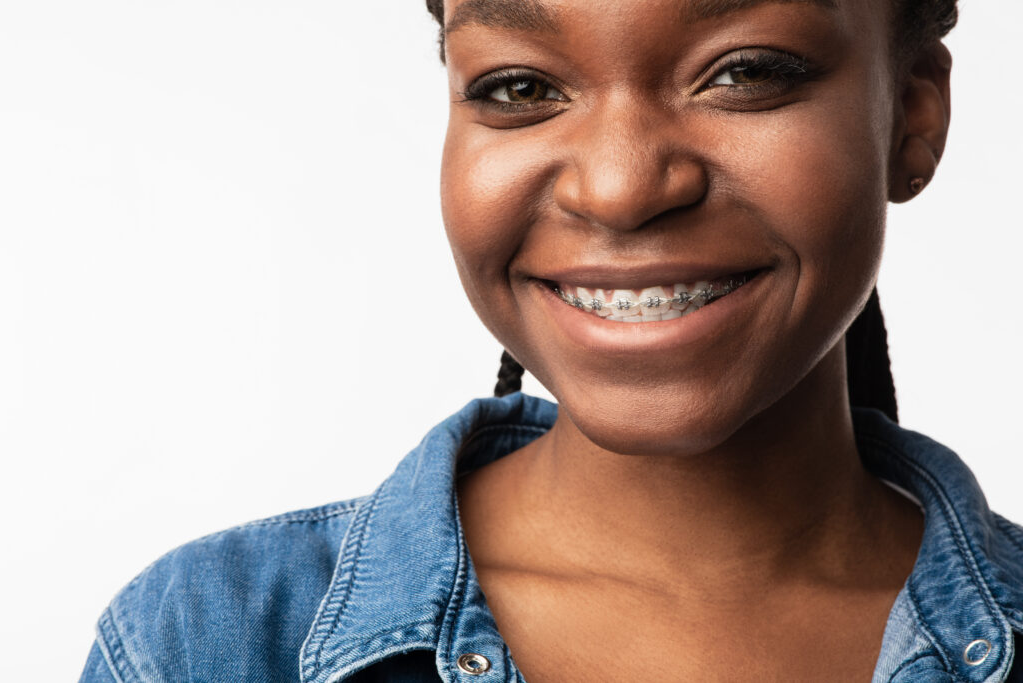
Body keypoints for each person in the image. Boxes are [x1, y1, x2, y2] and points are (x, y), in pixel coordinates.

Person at [78, 0, 1023, 681]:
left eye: (743, 71)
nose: (619, 186)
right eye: (520, 85)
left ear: (914, 111)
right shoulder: (210, 644)